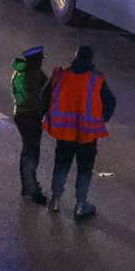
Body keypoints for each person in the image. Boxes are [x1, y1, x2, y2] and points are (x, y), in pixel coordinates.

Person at [44, 44, 116, 218]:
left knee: (61, 165)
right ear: (90, 60)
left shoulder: (60, 74)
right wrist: (100, 119)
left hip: (64, 134)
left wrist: (51, 115)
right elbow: (110, 102)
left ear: (74, 57)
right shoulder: (96, 79)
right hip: (87, 135)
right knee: (84, 170)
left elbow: (44, 96)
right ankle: (80, 205)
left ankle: (55, 200)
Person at [11, 46, 51, 205]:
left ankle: (27, 185)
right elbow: (39, 96)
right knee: (31, 154)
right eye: (40, 60)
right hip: (30, 117)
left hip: (21, 114)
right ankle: (31, 190)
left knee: (28, 151)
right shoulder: (32, 76)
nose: (41, 62)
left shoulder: (20, 72)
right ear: (35, 61)